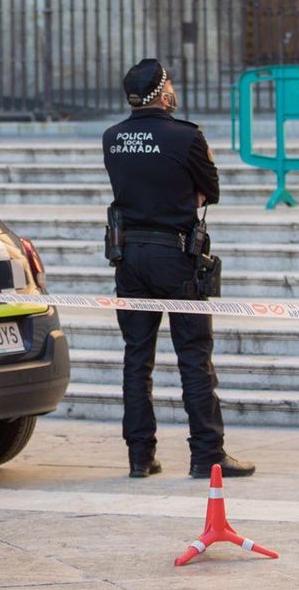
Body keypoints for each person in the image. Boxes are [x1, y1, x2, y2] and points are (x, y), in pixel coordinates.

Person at [102, 58, 255, 481]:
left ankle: (139, 456)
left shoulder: (112, 138)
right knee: (193, 356)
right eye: (170, 82)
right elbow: (212, 191)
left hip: (129, 255)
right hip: (176, 255)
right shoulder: (185, 137)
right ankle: (207, 453)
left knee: (137, 358)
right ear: (162, 93)